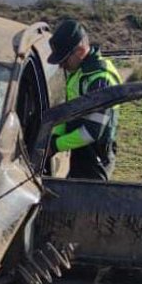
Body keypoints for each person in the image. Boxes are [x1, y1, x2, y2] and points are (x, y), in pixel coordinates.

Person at [47, 18, 123, 180]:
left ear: (80, 51)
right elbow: (68, 110)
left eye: (64, 59)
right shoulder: (80, 72)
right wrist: (55, 135)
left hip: (95, 158)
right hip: (81, 151)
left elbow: (92, 132)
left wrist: (55, 145)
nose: (61, 65)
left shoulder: (100, 80)